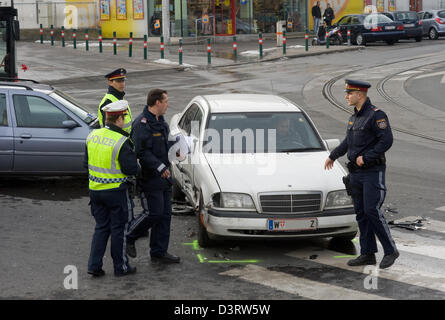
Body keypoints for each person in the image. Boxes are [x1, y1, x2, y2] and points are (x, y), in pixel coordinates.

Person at [324, 79, 399, 269]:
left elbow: (387, 140)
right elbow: (348, 141)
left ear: (360, 94)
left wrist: (367, 157)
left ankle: (391, 251)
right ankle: (367, 254)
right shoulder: (354, 117)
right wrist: (333, 156)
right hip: (355, 175)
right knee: (361, 214)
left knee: (372, 210)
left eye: (349, 93)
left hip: (372, 172)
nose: (346, 96)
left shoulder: (376, 115)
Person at [126, 89, 180, 264]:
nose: (167, 104)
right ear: (157, 102)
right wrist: (159, 166)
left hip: (164, 178)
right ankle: (129, 235)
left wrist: (178, 149)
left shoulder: (161, 123)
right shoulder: (141, 125)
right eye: (165, 101)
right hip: (150, 177)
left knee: (165, 215)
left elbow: (166, 144)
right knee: (154, 213)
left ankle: (158, 251)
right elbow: (141, 152)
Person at [85, 100, 139, 277]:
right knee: (119, 230)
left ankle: (94, 265)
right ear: (120, 119)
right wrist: (137, 165)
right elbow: (131, 169)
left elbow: (85, 163)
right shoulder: (122, 141)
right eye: (124, 117)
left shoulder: (92, 136)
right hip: (116, 192)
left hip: (95, 191)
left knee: (101, 228)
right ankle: (120, 267)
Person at [98, 68, 133, 135]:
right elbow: (110, 130)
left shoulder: (119, 98)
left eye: (123, 81)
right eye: (118, 81)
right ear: (110, 82)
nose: (122, 84)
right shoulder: (108, 102)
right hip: (117, 142)